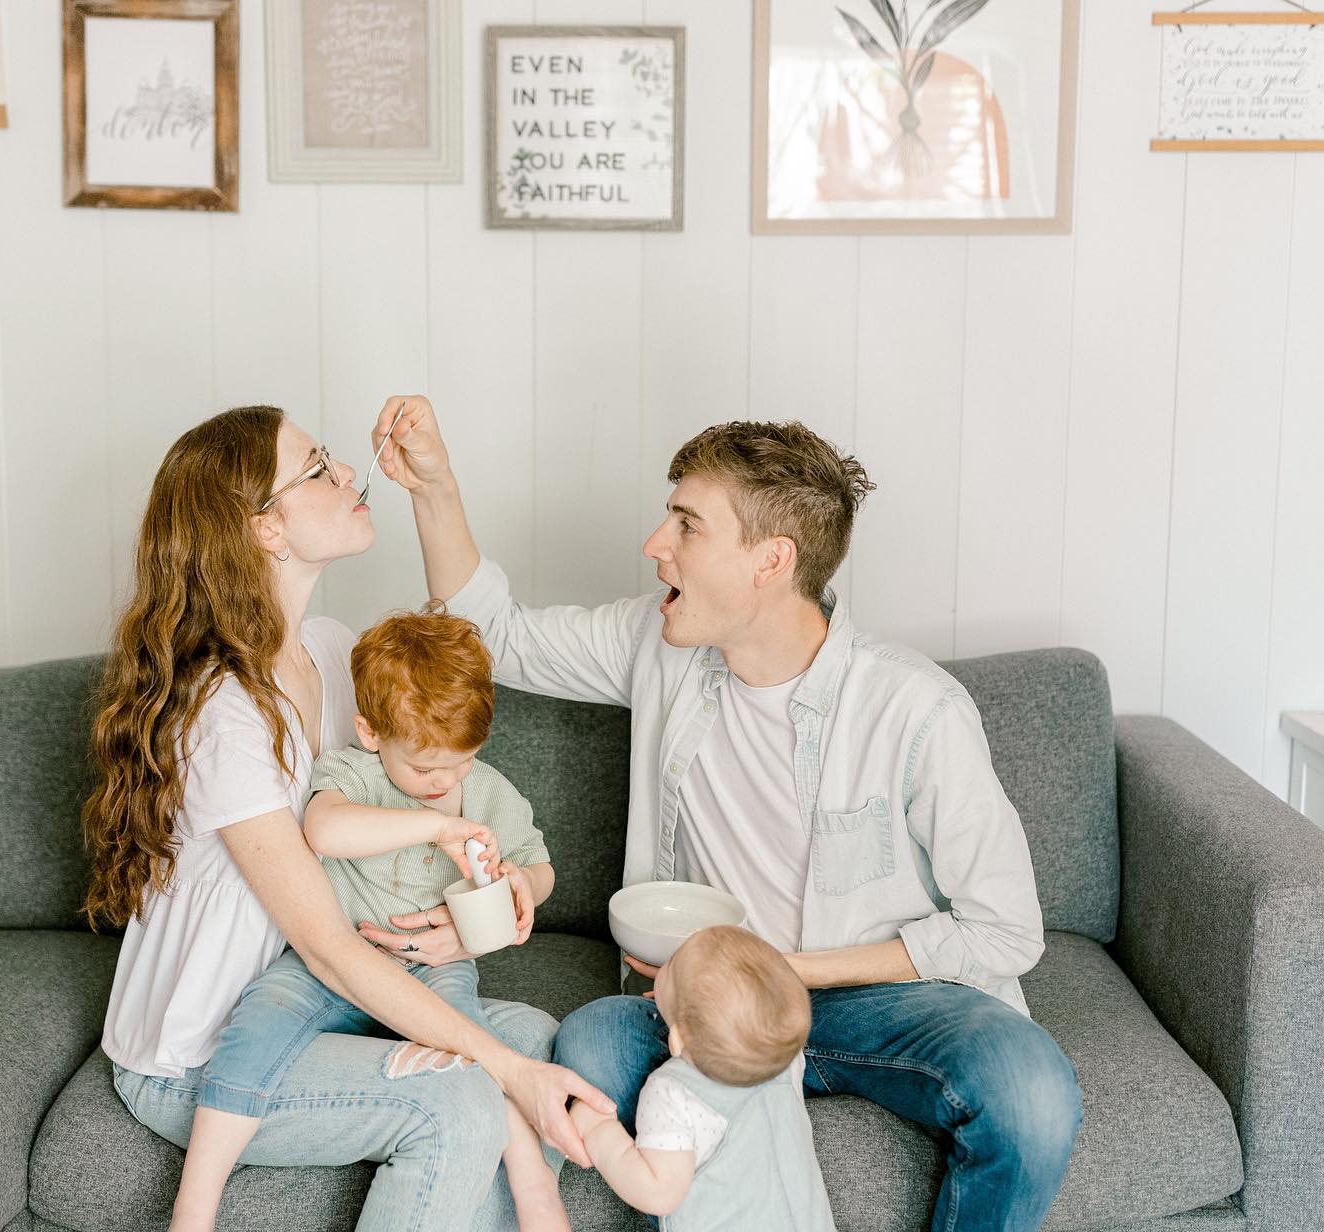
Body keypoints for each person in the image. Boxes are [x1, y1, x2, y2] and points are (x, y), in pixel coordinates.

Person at [369, 395, 1084, 1232]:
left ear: (770, 561)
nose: (653, 545)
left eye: (686, 525)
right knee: (593, 1046)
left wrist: (789, 970)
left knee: (1033, 1093)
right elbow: (495, 632)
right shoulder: (657, 645)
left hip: (872, 999)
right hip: (694, 1007)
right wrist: (433, 487)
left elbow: (1005, 933)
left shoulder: (916, 710)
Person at [82, 405, 611, 1232]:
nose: (351, 476)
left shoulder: (329, 649)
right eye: (321, 469)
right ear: (266, 529)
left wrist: (458, 922)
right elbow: (325, 944)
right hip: (199, 1055)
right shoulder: (222, 711)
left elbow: (447, 670)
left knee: (539, 1039)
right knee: (465, 1098)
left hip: (316, 999)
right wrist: (502, 1070)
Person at [168, 605, 568, 1232]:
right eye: (426, 766)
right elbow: (324, 830)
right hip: (328, 964)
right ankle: (195, 1206)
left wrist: (525, 886)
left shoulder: (489, 792)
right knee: (258, 1022)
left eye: (462, 760)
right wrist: (436, 826)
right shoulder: (354, 772)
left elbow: (537, 864)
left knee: (480, 1049)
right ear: (372, 732)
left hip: (429, 969)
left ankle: (534, 1182)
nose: (445, 780)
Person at [569, 925, 833, 1229]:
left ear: (677, 1040)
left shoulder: (673, 1091)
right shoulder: (788, 1063)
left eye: (673, 962)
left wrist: (598, 1130)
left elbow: (658, 1192)